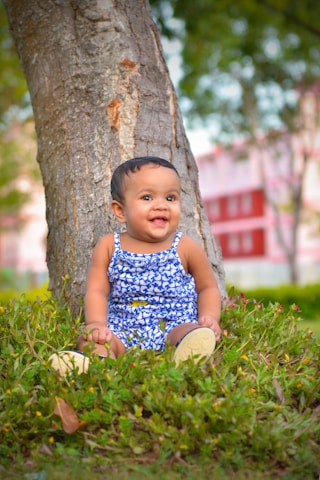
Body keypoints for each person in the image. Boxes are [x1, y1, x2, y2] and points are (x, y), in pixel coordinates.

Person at [49, 156, 221, 375]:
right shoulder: (110, 245)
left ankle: (188, 353)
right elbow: (97, 290)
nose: (161, 205)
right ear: (120, 210)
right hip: (122, 327)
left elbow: (207, 287)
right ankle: (95, 363)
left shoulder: (186, 246)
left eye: (170, 197)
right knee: (91, 340)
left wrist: (210, 318)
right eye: (147, 197)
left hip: (173, 323)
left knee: (191, 332)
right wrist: (96, 324)